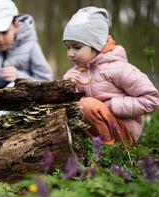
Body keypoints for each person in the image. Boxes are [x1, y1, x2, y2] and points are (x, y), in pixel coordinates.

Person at [62, 7, 159, 145]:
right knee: (82, 107)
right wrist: (65, 85)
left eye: (77, 47)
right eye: (68, 47)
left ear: (96, 46)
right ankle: (84, 149)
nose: (70, 53)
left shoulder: (118, 68)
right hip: (93, 128)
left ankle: (109, 152)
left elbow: (152, 98)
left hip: (122, 133)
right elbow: (69, 105)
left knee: (87, 106)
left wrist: (112, 105)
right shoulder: (77, 72)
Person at [0, 0, 53, 91]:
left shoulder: (31, 47)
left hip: (24, 101)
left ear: (16, 25)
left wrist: (19, 77)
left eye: (4, 32)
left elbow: (47, 82)